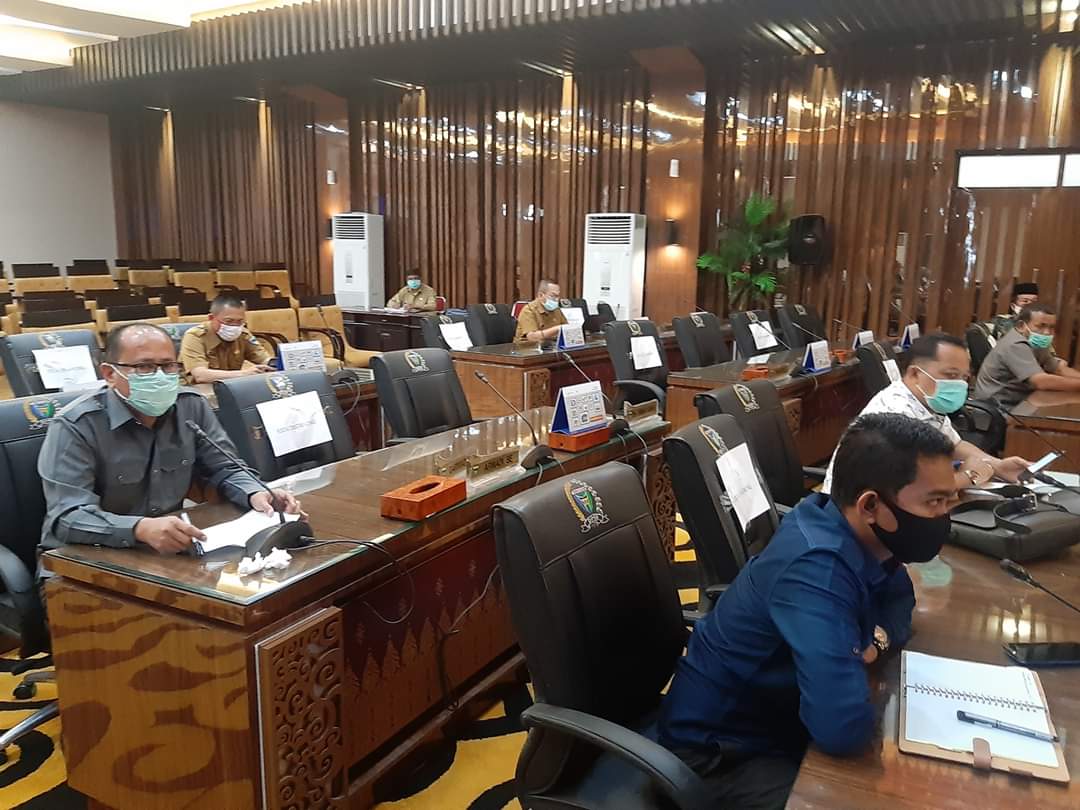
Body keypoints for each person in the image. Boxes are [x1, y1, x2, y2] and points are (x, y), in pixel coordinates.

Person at [659, 413, 958, 809]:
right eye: (935, 501)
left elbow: (900, 601)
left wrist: (877, 642)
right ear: (870, 504)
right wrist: (862, 659)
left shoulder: (859, 534)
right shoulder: (817, 569)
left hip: (783, 720)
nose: (945, 515)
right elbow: (842, 729)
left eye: (949, 500)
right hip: (722, 755)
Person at [39, 323, 302, 554]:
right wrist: (139, 529)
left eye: (168, 366)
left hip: (165, 550)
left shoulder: (191, 406)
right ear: (110, 374)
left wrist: (255, 492)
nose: (160, 376)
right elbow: (67, 517)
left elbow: (226, 468)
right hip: (83, 559)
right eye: (144, 367)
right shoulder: (76, 425)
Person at [822, 334, 1029, 492]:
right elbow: (917, 489)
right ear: (914, 374)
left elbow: (954, 444)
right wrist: (972, 475)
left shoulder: (926, 400)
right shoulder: (896, 414)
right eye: (951, 375)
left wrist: (998, 465)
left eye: (964, 378)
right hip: (856, 518)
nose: (960, 385)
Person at [975, 303, 1080, 409]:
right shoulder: (1015, 345)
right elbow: (1041, 381)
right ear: (1021, 326)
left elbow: (1058, 369)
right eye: (1041, 326)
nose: (1047, 332)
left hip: (1019, 401)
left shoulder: (1036, 342)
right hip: (998, 408)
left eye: (1051, 327)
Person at [179, 294, 273, 384]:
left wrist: (274, 364)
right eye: (229, 321)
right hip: (196, 389)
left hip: (228, 385)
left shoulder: (243, 334)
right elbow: (200, 375)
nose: (234, 326)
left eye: (239, 321)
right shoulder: (194, 336)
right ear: (211, 318)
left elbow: (264, 359)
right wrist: (245, 374)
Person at [513, 279, 567, 343]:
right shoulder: (529, 310)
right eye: (553, 296)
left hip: (550, 346)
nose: (556, 300)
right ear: (540, 295)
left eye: (557, 296)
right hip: (527, 347)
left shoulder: (556, 309)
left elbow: (566, 330)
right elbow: (532, 337)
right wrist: (557, 329)